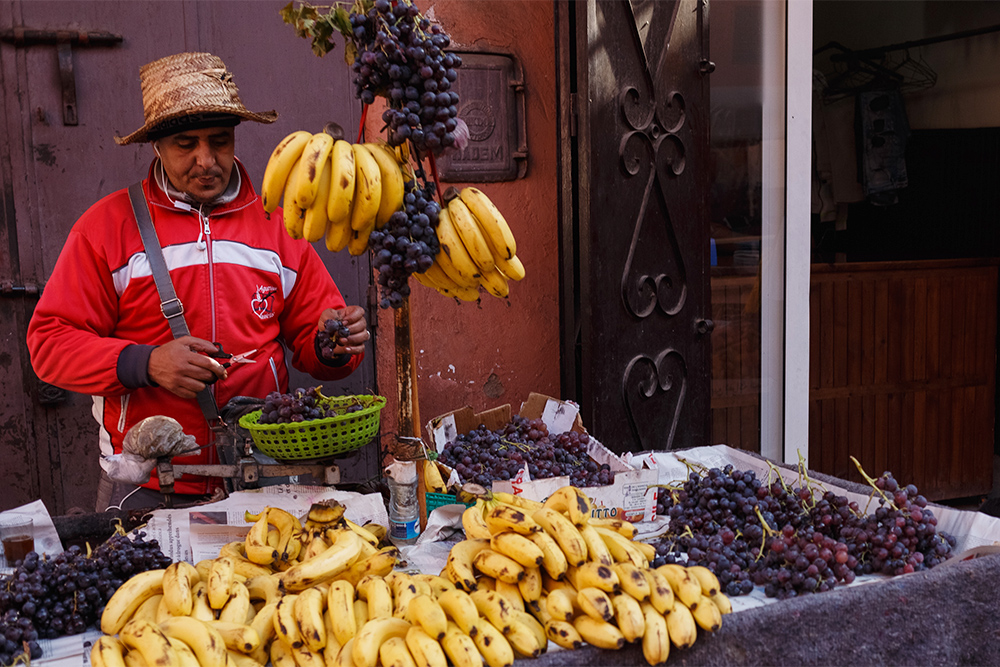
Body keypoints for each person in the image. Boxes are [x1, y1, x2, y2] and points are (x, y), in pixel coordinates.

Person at [26, 52, 370, 511]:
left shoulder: (277, 225)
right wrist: (146, 363)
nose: (206, 160)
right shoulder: (105, 228)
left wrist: (334, 344)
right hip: (148, 483)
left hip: (266, 474)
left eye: (220, 141)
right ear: (156, 146)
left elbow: (313, 341)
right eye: (185, 144)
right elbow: (50, 345)